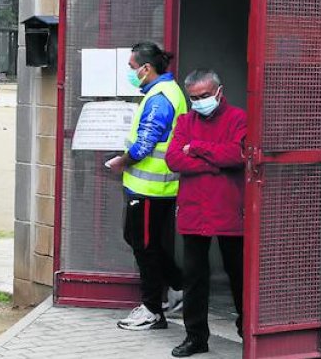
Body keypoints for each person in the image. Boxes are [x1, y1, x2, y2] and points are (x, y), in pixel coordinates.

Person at [105, 41, 187, 332]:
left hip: (152, 190)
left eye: (131, 67)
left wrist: (121, 161)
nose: (129, 72)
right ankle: (178, 286)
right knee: (141, 241)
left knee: (145, 247)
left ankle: (153, 310)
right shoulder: (162, 91)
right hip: (149, 188)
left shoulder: (160, 97)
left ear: (146, 68)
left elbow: (146, 142)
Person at [165, 70, 246, 357]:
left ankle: (246, 329)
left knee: (239, 274)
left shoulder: (238, 118)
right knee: (194, 278)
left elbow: (238, 155)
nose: (199, 102)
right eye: (194, 98)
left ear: (219, 92)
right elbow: (174, 159)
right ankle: (195, 336)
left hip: (228, 209)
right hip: (194, 210)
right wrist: (214, 163)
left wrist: (197, 148)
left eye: (204, 96)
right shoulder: (185, 121)